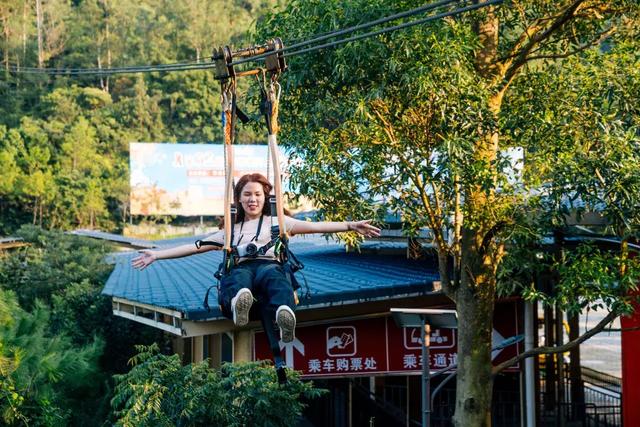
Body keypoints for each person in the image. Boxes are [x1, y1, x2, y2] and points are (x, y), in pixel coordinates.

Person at [132, 173, 380, 344]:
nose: (253, 199)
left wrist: (350, 225)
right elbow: (193, 246)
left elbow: (316, 227)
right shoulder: (229, 231)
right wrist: (156, 254)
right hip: (242, 268)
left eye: (258, 194)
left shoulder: (279, 223)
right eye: (247, 194)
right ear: (239, 199)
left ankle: (284, 315)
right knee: (237, 277)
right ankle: (240, 303)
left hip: (270, 265)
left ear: (266, 198)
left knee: (277, 280)